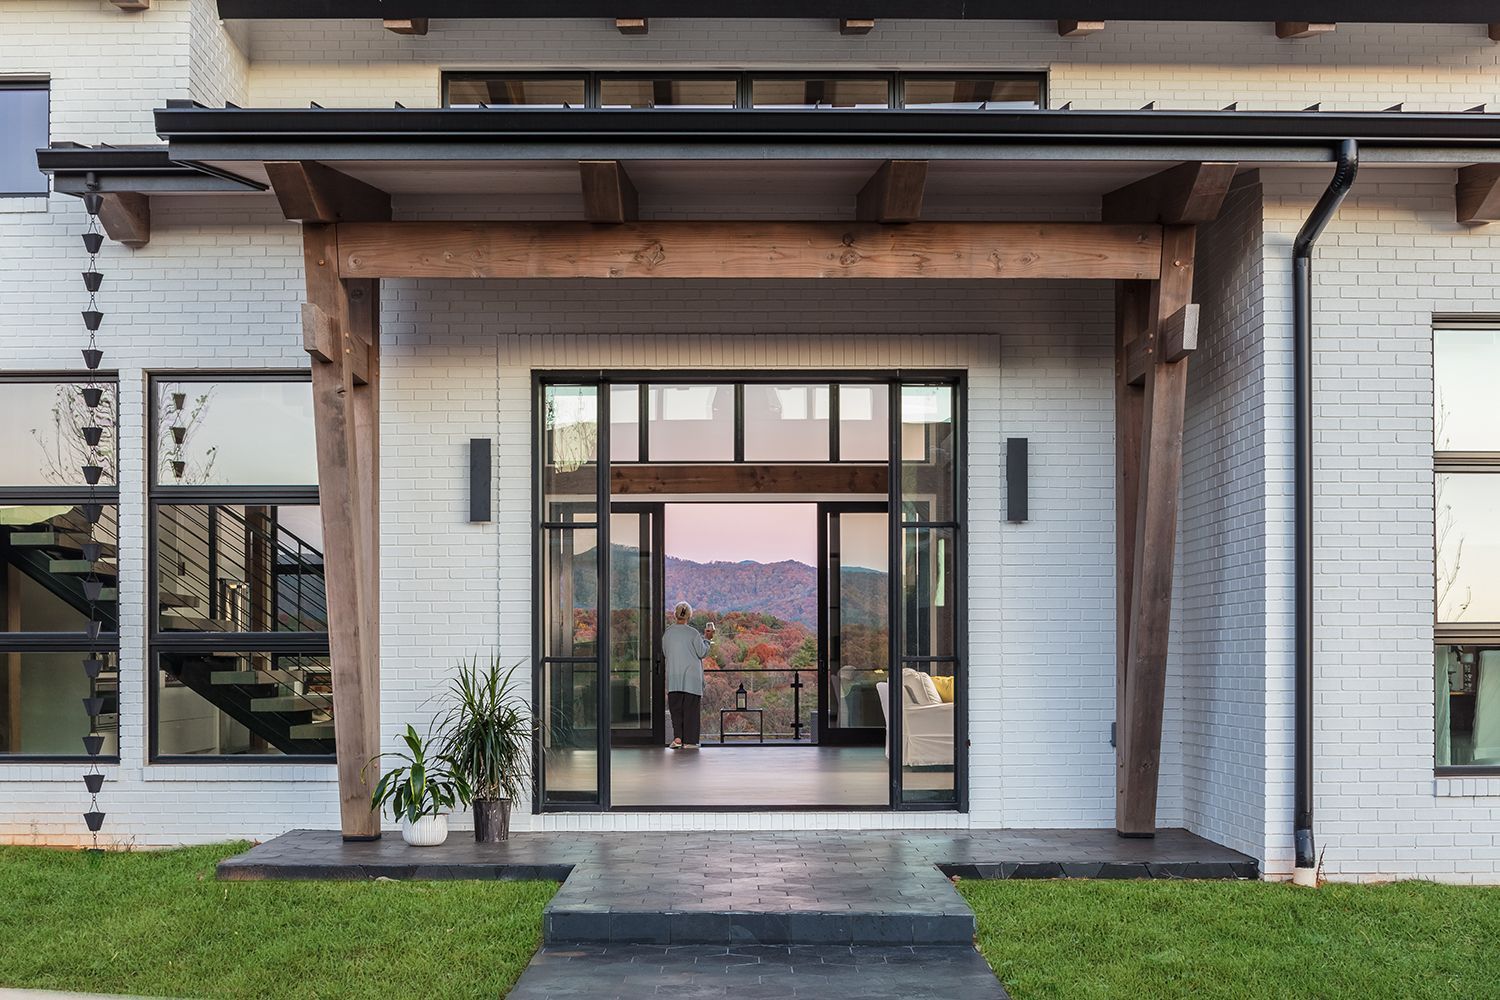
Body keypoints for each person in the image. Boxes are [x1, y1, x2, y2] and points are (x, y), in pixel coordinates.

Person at [663, 601, 714, 749]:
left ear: (675, 615)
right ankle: (690, 742)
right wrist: (707, 639)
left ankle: (678, 738)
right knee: (691, 711)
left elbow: (666, 653)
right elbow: (702, 652)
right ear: (689, 616)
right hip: (692, 678)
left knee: (676, 710)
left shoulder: (668, 633)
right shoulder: (693, 633)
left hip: (674, 678)